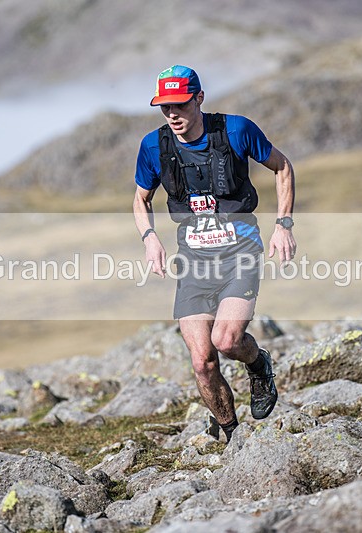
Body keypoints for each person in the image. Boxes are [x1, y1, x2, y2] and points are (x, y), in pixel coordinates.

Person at [132, 65, 296, 442]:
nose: (172, 113)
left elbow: (282, 167)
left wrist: (283, 225)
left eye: (180, 104)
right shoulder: (153, 146)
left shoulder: (237, 130)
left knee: (226, 341)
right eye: (165, 106)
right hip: (194, 263)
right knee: (202, 363)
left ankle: (258, 364)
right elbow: (141, 198)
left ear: (199, 99)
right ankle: (233, 437)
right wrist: (149, 238)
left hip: (240, 254)